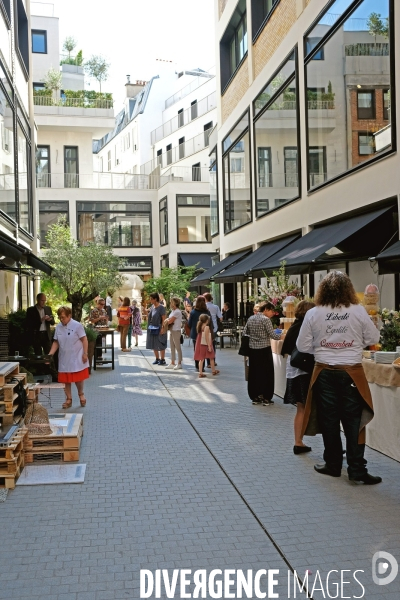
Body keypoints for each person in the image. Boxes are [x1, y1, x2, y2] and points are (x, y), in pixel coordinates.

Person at [297, 271, 382, 484]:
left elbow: (302, 346)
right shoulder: (358, 311)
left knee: (329, 420)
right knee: (354, 421)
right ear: (348, 290)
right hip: (351, 371)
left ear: (322, 291)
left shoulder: (314, 313)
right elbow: (373, 337)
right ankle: (357, 469)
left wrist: (323, 345)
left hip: (324, 371)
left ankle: (333, 464)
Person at [281, 300, 316, 454]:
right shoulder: (306, 327)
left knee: (301, 409)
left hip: (293, 371)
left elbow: (286, 349)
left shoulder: (294, 326)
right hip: (304, 371)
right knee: (305, 408)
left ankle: (298, 441)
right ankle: (298, 442)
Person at [47, 306, 89, 409]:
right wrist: (50, 355)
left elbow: (84, 339)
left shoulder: (77, 326)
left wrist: (85, 353)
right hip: (64, 357)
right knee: (66, 379)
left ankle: (81, 394)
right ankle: (69, 399)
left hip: (76, 356)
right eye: (60, 317)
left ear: (69, 316)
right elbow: (56, 342)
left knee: (78, 378)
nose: (61, 319)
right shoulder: (58, 327)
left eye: (63, 317)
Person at [242, 302, 281, 406]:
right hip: (264, 349)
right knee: (266, 373)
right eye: (272, 311)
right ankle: (266, 397)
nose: (273, 313)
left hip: (253, 349)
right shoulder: (266, 320)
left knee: (254, 373)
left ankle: (255, 396)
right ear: (266, 309)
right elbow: (273, 335)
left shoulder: (251, 318)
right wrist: (282, 335)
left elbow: (244, 332)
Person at [187, 296, 212, 372]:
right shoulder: (207, 312)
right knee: (204, 349)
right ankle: (203, 365)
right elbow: (211, 324)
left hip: (195, 333)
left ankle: (198, 366)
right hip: (205, 333)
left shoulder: (193, 312)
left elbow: (189, 324)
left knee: (197, 349)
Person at [146, 292, 167, 365]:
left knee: (161, 343)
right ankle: (157, 358)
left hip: (159, 327)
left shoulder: (161, 308)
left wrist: (163, 328)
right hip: (153, 327)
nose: (150, 300)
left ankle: (162, 359)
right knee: (153, 343)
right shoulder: (152, 307)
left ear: (155, 299)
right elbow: (150, 316)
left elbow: (164, 319)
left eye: (151, 299)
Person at [204, 292, 221, 368]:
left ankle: (208, 362)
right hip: (214, 327)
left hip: (205, 327)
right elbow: (220, 317)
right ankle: (213, 361)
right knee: (212, 344)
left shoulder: (204, 307)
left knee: (207, 344)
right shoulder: (216, 307)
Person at [165, 297, 183, 370]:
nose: (170, 304)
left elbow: (170, 321)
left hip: (176, 330)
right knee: (172, 347)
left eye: (172, 302)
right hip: (172, 330)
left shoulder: (177, 312)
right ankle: (172, 362)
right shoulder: (173, 311)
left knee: (177, 347)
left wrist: (166, 321)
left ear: (175, 303)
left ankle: (179, 363)